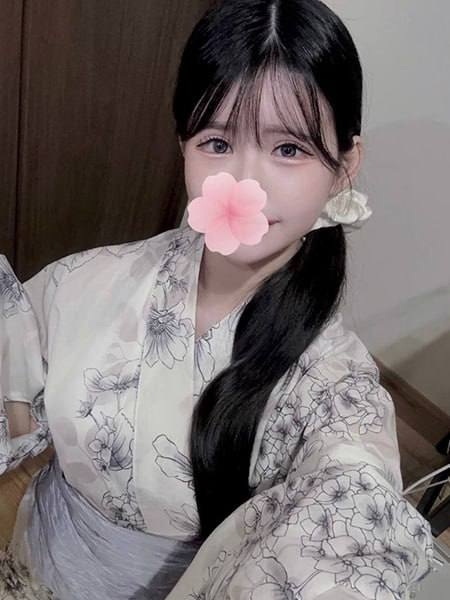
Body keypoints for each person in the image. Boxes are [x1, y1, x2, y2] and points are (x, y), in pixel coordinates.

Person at [0, 1, 435, 598]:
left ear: (344, 166)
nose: (245, 184)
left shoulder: (335, 388)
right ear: (183, 145)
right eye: (217, 142)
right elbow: (14, 372)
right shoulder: (84, 280)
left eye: (289, 149)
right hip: (35, 557)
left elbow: (349, 509)